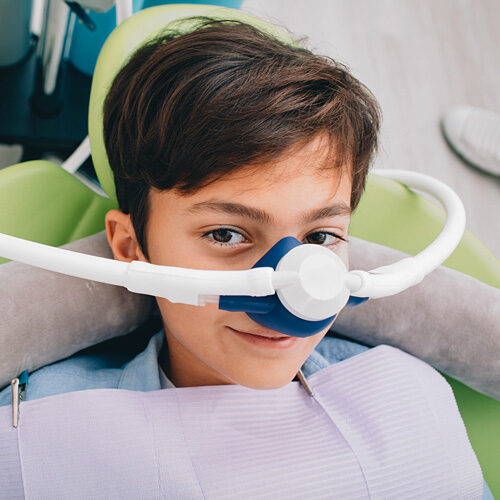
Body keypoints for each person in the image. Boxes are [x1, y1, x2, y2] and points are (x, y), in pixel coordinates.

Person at [0, 17, 493, 498]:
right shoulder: (37, 425)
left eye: (319, 238)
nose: (289, 286)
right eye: (226, 233)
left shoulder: (405, 394)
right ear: (131, 248)